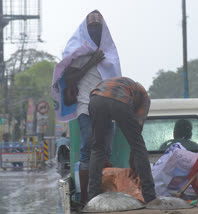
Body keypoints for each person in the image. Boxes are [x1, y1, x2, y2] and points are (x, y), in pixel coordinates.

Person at [51, 10, 121, 204]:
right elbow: (70, 78)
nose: (96, 30)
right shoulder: (80, 53)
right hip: (86, 108)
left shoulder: (110, 53)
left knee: (106, 151)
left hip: (108, 111)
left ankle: (104, 197)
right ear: (86, 29)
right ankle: (85, 199)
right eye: (92, 27)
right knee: (87, 150)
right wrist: (91, 61)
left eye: (98, 26)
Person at [88, 77, 156, 203]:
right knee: (139, 146)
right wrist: (133, 159)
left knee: (97, 148)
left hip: (96, 99)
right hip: (119, 100)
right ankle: (150, 197)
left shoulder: (126, 86)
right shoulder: (144, 98)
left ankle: (93, 198)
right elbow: (137, 135)